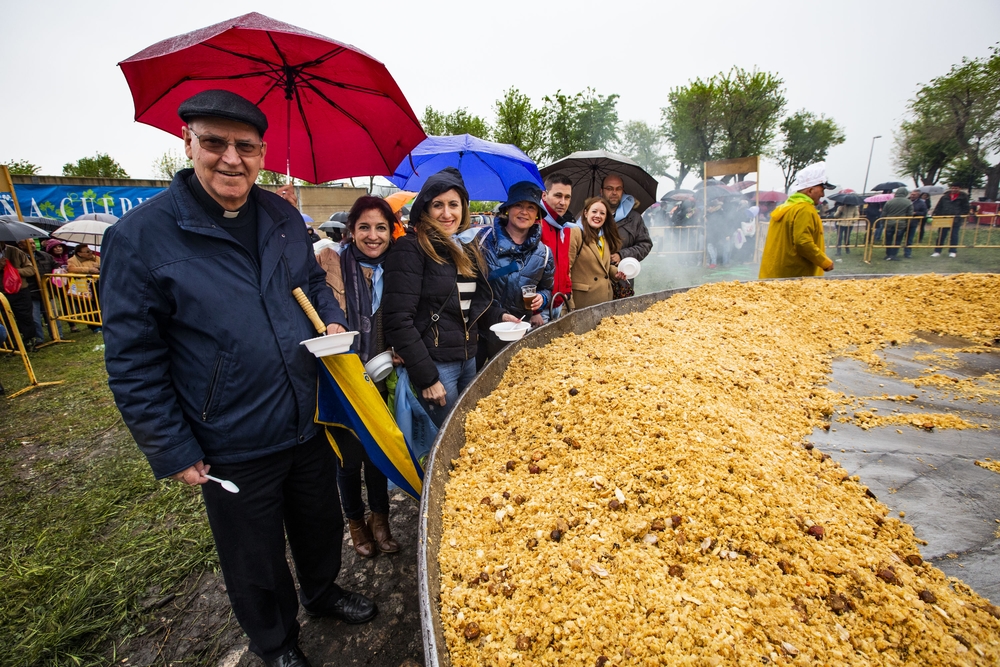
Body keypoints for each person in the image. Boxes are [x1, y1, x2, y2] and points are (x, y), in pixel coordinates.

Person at [101, 90, 375, 667]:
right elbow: (132, 358)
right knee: (253, 554)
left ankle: (323, 591)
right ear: (187, 143)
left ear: (263, 152)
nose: (231, 158)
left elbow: (313, 282)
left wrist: (330, 313)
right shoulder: (140, 237)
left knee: (319, 519)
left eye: (245, 146)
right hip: (229, 432)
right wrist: (172, 446)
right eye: (215, 142)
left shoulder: (280, 217)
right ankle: (275, 643)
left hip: (305, 411)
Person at [383, 167, 512, 428]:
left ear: (463, 208)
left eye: (453, 204)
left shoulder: (465, 246)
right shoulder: (411, 248)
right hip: (436, 365)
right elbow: (398, 320)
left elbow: (468, 305)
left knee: (465, 435)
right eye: (437, 205)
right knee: (442, 443)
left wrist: (500, 316)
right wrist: (427, 378)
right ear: (425, 209)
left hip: (468, 359)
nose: (446, 213)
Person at [315, 196, 401, 559]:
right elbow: (318, 300)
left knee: (376, 453)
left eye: (381, 227)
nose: (373, 235)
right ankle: (355, 522)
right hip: (342, 377)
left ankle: (380, 520)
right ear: (351, 230)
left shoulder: (397, 266)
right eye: (364, 227)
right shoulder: (332, 263)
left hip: (380, 375)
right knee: (348, 459)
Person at [478, 181, 555, 364]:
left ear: (537, 214)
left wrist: (542, 299)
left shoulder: (544, 254)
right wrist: (497, 314)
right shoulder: (482, 241)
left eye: (530, 207)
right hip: (479, 333)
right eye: (518, 205)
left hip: (517, 332)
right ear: (508, 209)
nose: (524, 212)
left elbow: (547, 289)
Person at [758, 162, 836, 279]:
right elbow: (803, 242)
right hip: (794, 275)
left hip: (777, 272)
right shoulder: (804, 209)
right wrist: (824, 262)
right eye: (822, 189)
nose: (823, 194)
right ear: (810, 190)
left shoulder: (787, 206)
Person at [568, 197, 625, 309]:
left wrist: (616, 273)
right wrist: (568, 303)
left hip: (605, 299)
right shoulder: (575, 233)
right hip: (582, 302)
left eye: (602, 213)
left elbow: (603, 267)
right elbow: (566, 270)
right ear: (585, 213)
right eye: (594, 211)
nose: (598, 216)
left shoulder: (604, 237)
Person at [539, 173, 575, 321]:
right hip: (540, 308)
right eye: (558, 196)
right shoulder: (537, 224)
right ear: (544, 195)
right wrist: (534, 312)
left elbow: (564, 263)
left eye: (567, 197)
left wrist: (567, 291)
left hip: (558, 303)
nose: (563, 202)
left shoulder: (564, 227)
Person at [600, 173, 652, 267]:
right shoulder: (592, 217)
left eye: (618, 188)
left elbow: (645, 245)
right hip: (594, 277)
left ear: (622, 191)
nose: (614, 192)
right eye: (609, 188)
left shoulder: (634, 218)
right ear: (601, 191)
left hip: (623, 276)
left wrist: (622, 255)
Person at [0, 240, 39, 349]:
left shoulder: (15, 251)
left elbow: (31, 270)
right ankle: (10, 344)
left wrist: (13, 270)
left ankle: (30, 341)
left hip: (20, 290)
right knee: (4, 319)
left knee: (25, 316)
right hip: (1, 294)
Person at [931, 182, 970, 257]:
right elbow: (939, 206)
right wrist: (936, 214)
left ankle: (953, 251)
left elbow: (966, 208)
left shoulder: (963, 197)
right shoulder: (944, 197)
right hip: (944, 219)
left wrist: (960, 215)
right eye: (952, 188)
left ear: (959, 188)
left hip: (956, 219)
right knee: (941, 235)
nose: (954, 189)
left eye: (956, 188)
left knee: (954, 235)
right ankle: (937, 251)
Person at [881, 187, 915, 260]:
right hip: (901, 223)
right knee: (897, 240)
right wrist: (907, 223)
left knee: (888, 239)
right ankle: (894, 255)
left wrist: (883, 222)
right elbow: (910, 214)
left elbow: (884, 213)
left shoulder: (889, 201)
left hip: (889, 222)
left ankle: (888, 254)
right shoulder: (908, 202)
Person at [906, 190, 928, 256]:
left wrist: (916, 213)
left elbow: (924, 213)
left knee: (909, 239)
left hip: (913, 222)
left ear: (918, 195)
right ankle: (893, 254)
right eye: (911, 194)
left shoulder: (921, 203)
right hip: (903, 221)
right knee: (898, 237)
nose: (912, 196)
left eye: (914, 195)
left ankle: (907, 253)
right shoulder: (907, 201)